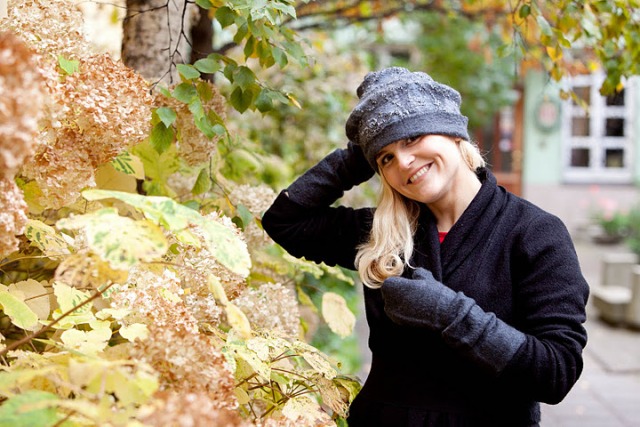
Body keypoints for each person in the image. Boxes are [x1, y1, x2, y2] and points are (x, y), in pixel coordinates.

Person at [262, 67, 589, 427]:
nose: (402, 161)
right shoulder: (382, 233)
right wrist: (360, 154)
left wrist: (448, 313)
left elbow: (556, 372)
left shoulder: (534, 233)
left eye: (412, 137)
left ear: (453, 133)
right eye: (386, 158)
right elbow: (285, 222)